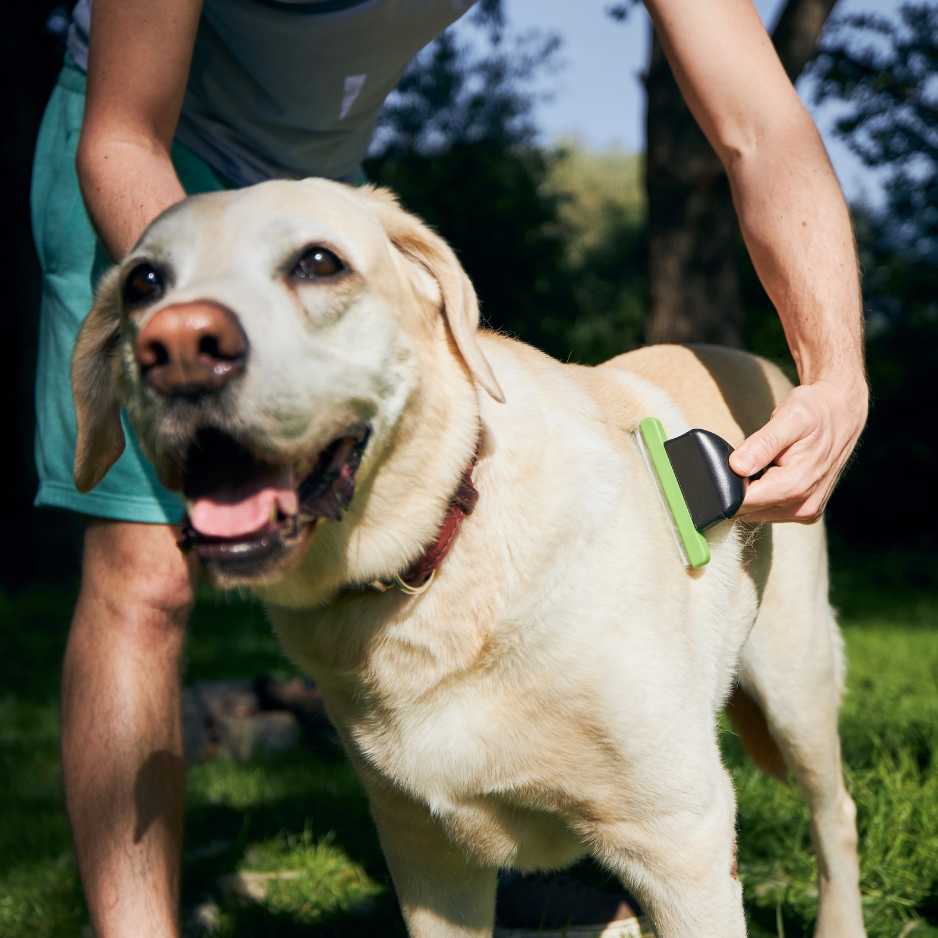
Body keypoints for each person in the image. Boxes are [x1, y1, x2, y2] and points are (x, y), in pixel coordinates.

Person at [31, 0, 868, 934]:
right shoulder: (185, 289)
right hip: (145, 154)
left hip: (323, 189)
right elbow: (121, 132)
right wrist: (206, 300)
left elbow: (759, 121)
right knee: (145, 572)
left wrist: (836, 373)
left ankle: (822, 852)